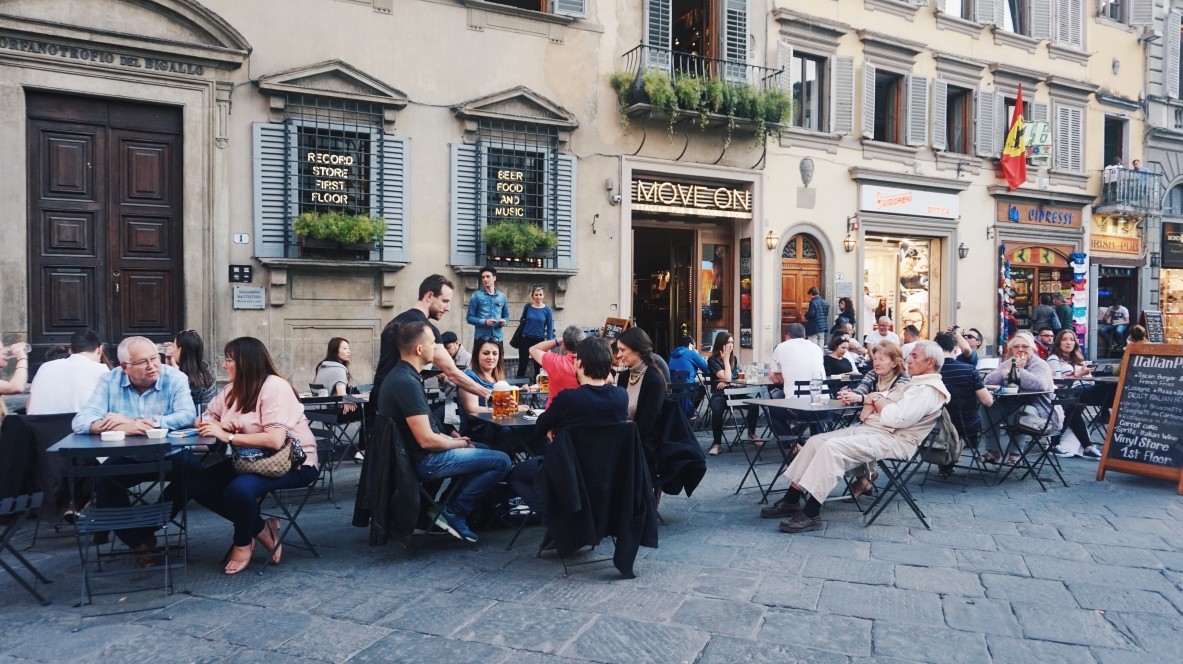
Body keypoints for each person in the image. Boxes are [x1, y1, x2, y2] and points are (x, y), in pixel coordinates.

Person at [766, 341, 950, 533]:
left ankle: (812, 513)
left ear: (930, 362)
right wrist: (874, 399)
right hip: (875, 429)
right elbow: (879, 398)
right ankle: (792, 499)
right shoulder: (916, 383)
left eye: (914, 356)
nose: (909, 360)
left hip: (895, 439)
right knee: (815, 441)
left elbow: (895, 417)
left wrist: (874, 399)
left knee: (832, 448)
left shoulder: (929, 390)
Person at [192, 337, 319, 574]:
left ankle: (242, 543)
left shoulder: (275, 387)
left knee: (239, 491)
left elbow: (274, 440)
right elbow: (204, 417)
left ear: (246, 362)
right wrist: (220, 423)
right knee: (198, 485)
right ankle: (260, 528)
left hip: (292, 462)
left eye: (229, 360)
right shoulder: (232, 390)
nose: (224, 365)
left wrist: (228, 436)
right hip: (250, 461)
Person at [377, 320, 510, 543]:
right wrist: (457, 443)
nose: (438, 348)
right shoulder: (407, 383)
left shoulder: (403, 376)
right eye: (433, 343)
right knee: (502, 461)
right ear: (419, 349)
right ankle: (453, 511)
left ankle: (440, 509)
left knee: (482, 448)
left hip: (414, 457)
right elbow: (427, 441)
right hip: (424, 462)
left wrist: (452, 438)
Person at [71, 336, 197, 559]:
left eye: (154, 358)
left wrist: (134, 422)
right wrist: (125, 427)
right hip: (129, 456)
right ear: (124, 366)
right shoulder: (109, 380)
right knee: (102, 479)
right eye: (142, 362)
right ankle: (139, 542)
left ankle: (149, 528)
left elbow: (187, 415)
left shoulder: (175, 378)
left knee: (195, 472)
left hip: (170, 455)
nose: (152, 366)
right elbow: (81, 422)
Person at [509, 337, 627, 521]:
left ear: (578, 363)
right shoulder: (621, 396)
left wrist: (552, 427)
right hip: (608, 472)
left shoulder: (568, 398)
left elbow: (540, 427)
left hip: (569, 472)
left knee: (517, 474)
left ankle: (555, 520)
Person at [373, 274, 488, 414]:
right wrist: (490, 394)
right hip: (402, 404)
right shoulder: (425, 329)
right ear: (429, 296)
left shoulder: (394, 322)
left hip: (380, 399)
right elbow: (452, 373)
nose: (448, 308)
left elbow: (393, 363)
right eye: (445, 301)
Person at [832, 340, 910, 499]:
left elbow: (891, 401)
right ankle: (865, 478)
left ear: (894, 362)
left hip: (892, 428)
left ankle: (865, 478)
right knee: (847, 437)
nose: (876, 362)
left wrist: (865, 400)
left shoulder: (903, 379)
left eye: (881, 359)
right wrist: (850, 396)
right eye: (875, 359)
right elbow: (862, 389)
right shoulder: (873, 374)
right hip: (870, 422)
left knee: (856, 437)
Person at [983, 331, 1057, 466]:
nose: (1020, 349)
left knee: (1020, 412)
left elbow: (1041, 385)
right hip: (1009, 403)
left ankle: (1015, 453)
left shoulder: (1040, 364)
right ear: (1011, 349)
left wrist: (1020, 370)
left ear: (1032, 348)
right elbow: (987, 381)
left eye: (1025, 346)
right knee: (987, 408)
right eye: (1016, 347)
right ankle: (993, 450)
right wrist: (1004, 372)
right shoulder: (1009, 362)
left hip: (1038, 408)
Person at [933, 332, 993, 475]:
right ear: (955, 349)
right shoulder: (969, 370)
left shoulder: (929, 371)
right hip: (966, 425)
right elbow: (987, 402)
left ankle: (946, 461)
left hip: (935, 425)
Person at [615, 327, 667, 473]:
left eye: (622, 350)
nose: (618, 355)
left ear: (637, 350)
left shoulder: (654, 380)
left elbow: (646, 427)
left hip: (643, 449)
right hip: (624, 440)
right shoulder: (623, 376)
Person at [1046, 329, 1102, 459]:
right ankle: (1087, 447)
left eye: (1071, 340)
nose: (1068, 342)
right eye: (1064, 339)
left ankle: (1087, 447)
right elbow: (1056, 382)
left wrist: (1085, 373)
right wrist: (1078, 374)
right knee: (1107, 390)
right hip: (1066, 393)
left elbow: (1088, 380)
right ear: (1058, 342)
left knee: (1074, 408)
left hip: (1081, 390)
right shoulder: (1054, 358)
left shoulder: (1077, 359)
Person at [26, 329, 110, 415]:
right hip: (77, 422)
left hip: (37, 422)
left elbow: (29, 406)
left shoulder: (45, 367)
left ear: (70, 351)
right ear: (100, 349)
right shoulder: (100, 369)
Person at [457, 337, 524, 436]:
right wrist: (508, 410)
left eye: (495, 354)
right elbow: (472, 410)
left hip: (500, 426)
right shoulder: (469, 378)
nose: (491, 357)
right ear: (477, 356)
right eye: (486, 353)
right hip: (479, 432)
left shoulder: (499, 379)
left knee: (538, 430)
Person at [705, 331, 757, 456]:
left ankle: (751, 434)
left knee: (755, 404)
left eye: (732, 342)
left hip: (735, 393)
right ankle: (717, 443)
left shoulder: (735, 359)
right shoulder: (713, 360)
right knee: (717, 408)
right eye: (728, 342)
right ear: (721, 344)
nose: (730, 345)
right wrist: (726, 360)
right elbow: (727, 377)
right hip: (720, 395)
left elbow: (742, 381)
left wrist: (729, 384)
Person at [529, 325, 586, 407]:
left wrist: (559, 340)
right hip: (580, 412)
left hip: (555, 412)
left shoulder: (554, 361)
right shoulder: (591, 364)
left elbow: (533, 349)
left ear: (563, 345)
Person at [769, 323, 826, 398]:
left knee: (774, 396)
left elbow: (777, 377)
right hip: (821, 399)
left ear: (787, 336)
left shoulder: (780, 348)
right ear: (804, 336)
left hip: (795, 401)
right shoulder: (817, 348)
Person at [514, 284, 554, 380]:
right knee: (522, 364)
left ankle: (536, 388)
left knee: (538, 366)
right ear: (532, 295)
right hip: (525, 339)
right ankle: (520, 385)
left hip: (539, 341)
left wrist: (549, 345)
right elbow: (522, 320)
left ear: (543, 295)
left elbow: (550, 328)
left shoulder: (547, 310)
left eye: (540, 295)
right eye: (536, 295)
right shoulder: (527, 307)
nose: (538, 297)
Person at [174, 330, 219, 413]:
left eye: (174, 347)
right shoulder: (206, 369)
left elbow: (177, 396)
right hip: (209, 415)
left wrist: (174, 369)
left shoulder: (185, 377)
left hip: (197, 417)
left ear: (180, 350)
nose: (172, 351)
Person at [466, 266, 509, 342]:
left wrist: (504, 321)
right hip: (481, 338)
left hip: (497, 338)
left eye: (488, 277)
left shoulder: (502, 296)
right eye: (483, 277)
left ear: (494, 278)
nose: (485, 279)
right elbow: (469, 318)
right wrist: (485, 322)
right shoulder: (476, 296)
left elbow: (506, 316)